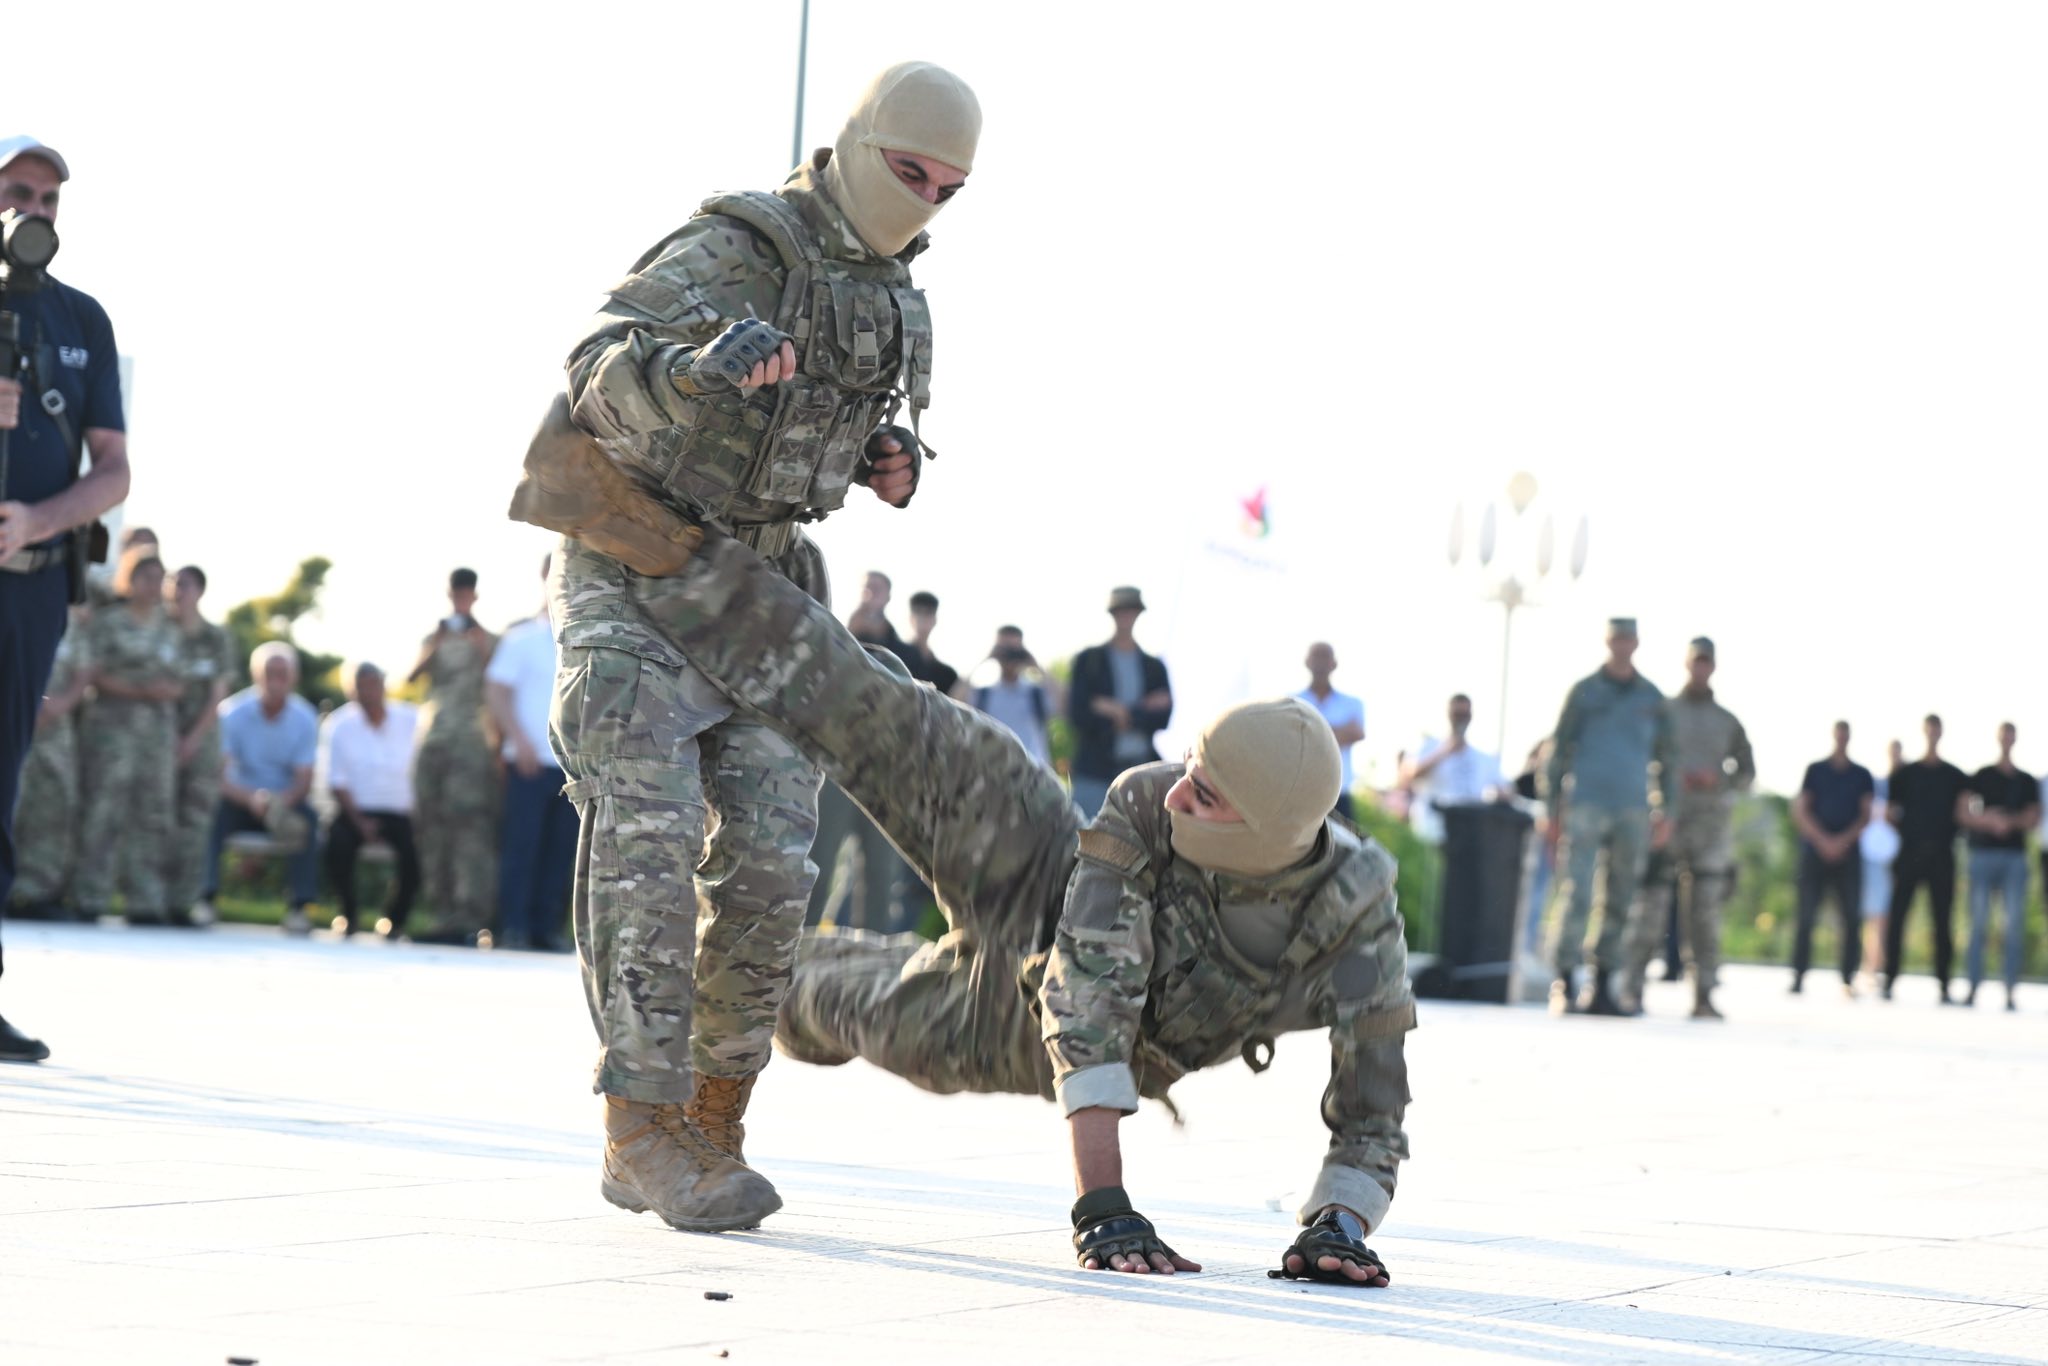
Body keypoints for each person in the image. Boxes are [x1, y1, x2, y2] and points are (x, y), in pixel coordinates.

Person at [525, 519, 1407, 1285]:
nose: (1180, 791)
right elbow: (1090, 984)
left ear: (1260, 833)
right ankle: (665, 556)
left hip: (1028, 1023)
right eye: (1194, 768)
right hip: (1051, 880)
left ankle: (767, 1004)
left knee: (823, 998)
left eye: (1207, 796)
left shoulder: (1353, 916)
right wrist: (1103, 1203)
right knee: (896, 717)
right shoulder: (1149, 796)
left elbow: (1372, 1108)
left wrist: (1339, 1225)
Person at [505, 60, 982, 1232]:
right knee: (649, 822)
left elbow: (847, 424)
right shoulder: (736, 246)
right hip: (633, 553)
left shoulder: (893, 295)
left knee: (772, 854)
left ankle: (713, 1113)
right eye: (907, 171)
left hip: (757, 583)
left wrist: (883, 464)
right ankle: (639, 1122)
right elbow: (596, 366)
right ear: (859, 144)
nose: (922, 199)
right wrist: (690, 370)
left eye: (948, 187)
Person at [0, 135, 131, 1063]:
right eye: (17, 192)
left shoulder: (83, 317)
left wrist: (39, 520)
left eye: (47, 198)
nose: (34, 211)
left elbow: (114, 471)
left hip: (30, 590)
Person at [1542, 618, 1675, 1016]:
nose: (1621, 645)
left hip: (1633, 809)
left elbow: (1668, 759)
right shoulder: (1585, 692)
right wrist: (1551, 810)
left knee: (1621, 897)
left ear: (1635, 643)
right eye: (1615, 638)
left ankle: (1603, 987)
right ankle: (1564, 980)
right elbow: (1557, 750)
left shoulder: (1651, 698)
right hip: (1585, 805)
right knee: (1577, 893)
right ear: (1608, 642)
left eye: (1627, 638)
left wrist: (1668, 811)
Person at [1623, 639, 1753, 1018]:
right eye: (1695, 661)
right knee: (1650, 910)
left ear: (1713, 666)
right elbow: (1642, 757)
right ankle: (1631, 988)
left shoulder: (1727, 721)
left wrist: (1718, 782)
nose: (1700, 668)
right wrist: (1662, 787)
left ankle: (1704, 995)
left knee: (1705, 916)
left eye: (1706, 662)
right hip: (1667, 824)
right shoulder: (1665, 712)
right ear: (1686, 664)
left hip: (1710, 831)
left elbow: (1747, 773)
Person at [73, 546, 180, 924]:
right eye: (146, 578)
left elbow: (182, 680)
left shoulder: (172, 627)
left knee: (152, 815)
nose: (154, 586)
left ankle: (145, 900)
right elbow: (92, 675)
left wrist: (164, 692)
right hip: (112, 731)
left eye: (159, 579)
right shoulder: (110, 622)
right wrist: (141, 691)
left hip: (157, 737)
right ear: (130, 580)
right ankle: (90, 896)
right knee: (103, 810)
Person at [487, 559, 576, 951]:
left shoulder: (583, 638)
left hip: (571, 767)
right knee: (521, 848)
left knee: (560, 853)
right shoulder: (521, 638)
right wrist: (518, 739)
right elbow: (496, 691)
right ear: (546, 577)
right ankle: (513, 927)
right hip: (527, 761)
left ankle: (545, 928)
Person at [406, 568, 498, 944]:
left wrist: (477, 641)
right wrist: (438, 641)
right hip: (434, 740)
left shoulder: (488, 639)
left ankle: (471, 914)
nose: (460, 600)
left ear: (473, 597)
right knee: (432, 827)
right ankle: (441, 912)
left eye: (465, 595)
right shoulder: (435, 637)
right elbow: (411, 677)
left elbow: (498, 680)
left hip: (471, 743)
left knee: (469, 828)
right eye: (454, 594)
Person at [207, 642, 321, 934]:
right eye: (270, 671)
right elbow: (218, 776)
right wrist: (252, 799)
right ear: (256, 675)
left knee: (309, 820)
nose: (276, 678)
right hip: (239, 798)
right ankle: (205, 898)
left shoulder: (306, 717)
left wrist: (276, 803)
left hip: (285, 801)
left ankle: (300, 907)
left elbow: (304, 780)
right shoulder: (232, 713)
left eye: (283, 672)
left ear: (294, 677)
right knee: (210, 813)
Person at [319, 662, 421, 938]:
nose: (368, 692)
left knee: (418, 851)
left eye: (373, 685)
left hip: (400, 813)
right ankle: (348, 914)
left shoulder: (411, 718)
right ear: (351, 691)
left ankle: (394, 920)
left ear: (383, 686)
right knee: (337, 844)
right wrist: (360, 822)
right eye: (360, 687)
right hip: (354, 811)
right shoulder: (339, 725)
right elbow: (336, 781)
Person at [6, 604, 89, 918]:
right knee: (11, 803)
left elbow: (85, 672)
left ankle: (36, 893)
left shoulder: (71, 623)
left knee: (53, 805)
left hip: (55, 728)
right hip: (13, 720)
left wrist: (58, 705)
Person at [1066, 587, 1173, 820]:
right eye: (1120, 611)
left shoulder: (1153, 666)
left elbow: (1163, 717)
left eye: (1130, 610)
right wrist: (1143, 708)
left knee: (1140, 850)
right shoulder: (1089, 661)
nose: (1126, 616)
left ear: (1138, 614)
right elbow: (1078, 714)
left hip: (1141, 774)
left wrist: (1118, 711)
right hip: (1094, 772)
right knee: (1086, 843)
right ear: (1113, 614)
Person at [1883, 715, 1968, 1003]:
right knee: (1897, 918)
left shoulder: (1955, 776)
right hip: (1909, 854)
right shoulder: (1905, 775)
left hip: (1942, 855)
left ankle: (1944, 983)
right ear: (1924, 732)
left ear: (1941, 733)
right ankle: (1889, 978)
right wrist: (1909, 833)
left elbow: (1963, 812)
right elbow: (1890, 812)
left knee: (1943, 921)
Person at [167, 566, 235, 926]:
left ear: (200, 591)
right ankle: (149, 900)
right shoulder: (161, 630)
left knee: (194, 820)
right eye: (173, 583)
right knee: (157, 818)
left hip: (201, 740)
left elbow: (218, 694)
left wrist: (191, 739)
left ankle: (183, 902)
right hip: (159, 735)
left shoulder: (215, 637)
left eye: (185, 584)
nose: (177, 590)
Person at [1790, 721, 1874, 997]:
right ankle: (1798, 975)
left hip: (1848, 854)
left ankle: (1848, 977)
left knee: (1851, 916)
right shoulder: (1815, 771)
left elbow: (1866, 815)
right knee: (1806, 915)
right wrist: (1823, 840)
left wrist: (1842, 841)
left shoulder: (1862, 775)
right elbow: (1802, 809)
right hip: (1815, 852)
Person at [1960, 723, 2036, 1011]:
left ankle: (2009, 990)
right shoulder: (1982, 775)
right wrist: (1988, 820)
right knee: (1977, 923)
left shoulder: (2026, 780)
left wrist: (2010, 822)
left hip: (2014, 857)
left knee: (2013, 925)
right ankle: (1973, 986)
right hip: (1983, 855)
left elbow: (2032, 817)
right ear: (1998, 738)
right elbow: (1964, 812)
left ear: (2015, 739)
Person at [1402, 693, 1504, 844]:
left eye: (1465, 714)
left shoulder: (1482, 758)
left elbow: (1505, 788)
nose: (1460, 719)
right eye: (1457, 714)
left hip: (1467, 836)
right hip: (1431, 834)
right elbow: (1408, 773)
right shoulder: (1429, 746)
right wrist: (1444, 752)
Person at [1298, 643, 1366, 822]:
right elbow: (1292, 738)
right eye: (1316, 657)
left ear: (1333, 663)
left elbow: (1357, 733)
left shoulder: (1352, 703)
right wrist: (1339, 730)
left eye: (1325, 657)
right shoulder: (1292, 700)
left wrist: (1309, 729)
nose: (1320, 663)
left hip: (1340, 793)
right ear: (1307, 662)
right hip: (1302, 793)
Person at [973, 630, 1055, 768]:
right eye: (1004, 651)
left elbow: (1067, 704)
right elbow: (953, 702)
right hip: (994, 771)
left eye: (1014, 651)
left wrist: (1036, 665)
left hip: (1034, 772)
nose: (1009, 657)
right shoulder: (984, 693)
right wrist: (982, 661)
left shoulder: (1035, 692)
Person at [1859, 740, 1903, 992]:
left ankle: (1876, 966)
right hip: (1872, 855)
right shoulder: (1876, 784)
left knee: (1884, 917)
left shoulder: (1905, 784)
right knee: (1872, 917)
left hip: (1892, 859)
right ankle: (1869, 966)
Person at [891, 590, 961, 697]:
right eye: (918, 612)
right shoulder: (894, 656)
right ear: (910, 617)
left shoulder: (946, 674)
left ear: (934, 620)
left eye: (928, 613)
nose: (922, 618)